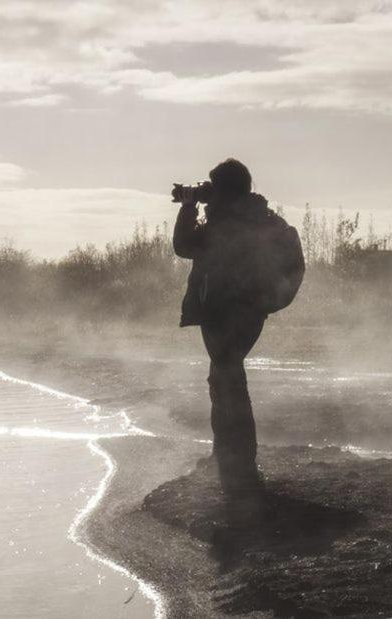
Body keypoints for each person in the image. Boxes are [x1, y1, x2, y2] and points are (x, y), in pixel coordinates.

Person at [172, 158, 279, 493]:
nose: (208, 192)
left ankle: (238, 462)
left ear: (223, 190)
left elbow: (184, 245)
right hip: (250, 310)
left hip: (222, 309)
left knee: (227, 379)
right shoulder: (258, 216)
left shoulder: (226, 222)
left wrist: (189, 207)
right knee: (226, 376)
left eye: (212, 187)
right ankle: (230, 457)